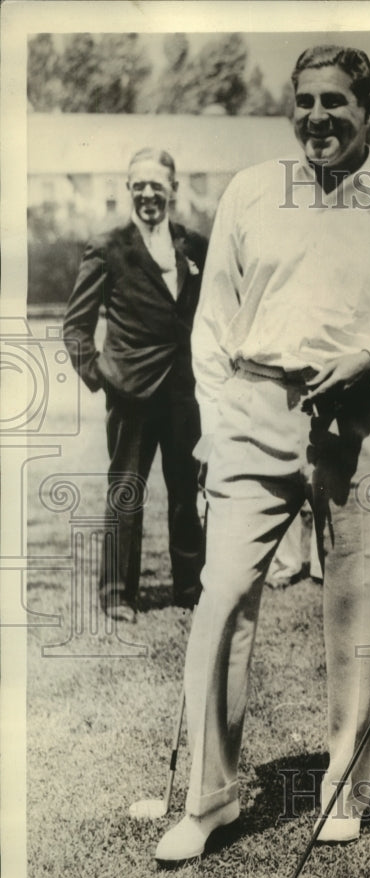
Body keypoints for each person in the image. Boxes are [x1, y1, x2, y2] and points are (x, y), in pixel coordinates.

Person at [155, 45, 370, 863]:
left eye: (336, 103)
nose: (319, 117)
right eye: (306, 101)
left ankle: (346, 788)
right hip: (254, 409)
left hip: (362, 421)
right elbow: (212, 325)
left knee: (356, 609)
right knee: (221, 597)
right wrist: (215, 426)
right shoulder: (251, 192)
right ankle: (209, 796)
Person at [63, 148, 207, 623]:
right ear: (128, 190)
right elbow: (76, 327)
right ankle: (116, 593)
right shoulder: (108, 246)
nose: (148, 194)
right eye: (138, 186)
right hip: (131, 393)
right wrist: (100, 375)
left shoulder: (194, 246)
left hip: (184, 392)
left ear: (174, 190)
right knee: (126, 490)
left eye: (157, 185)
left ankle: (191, 588)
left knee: (188, 492)